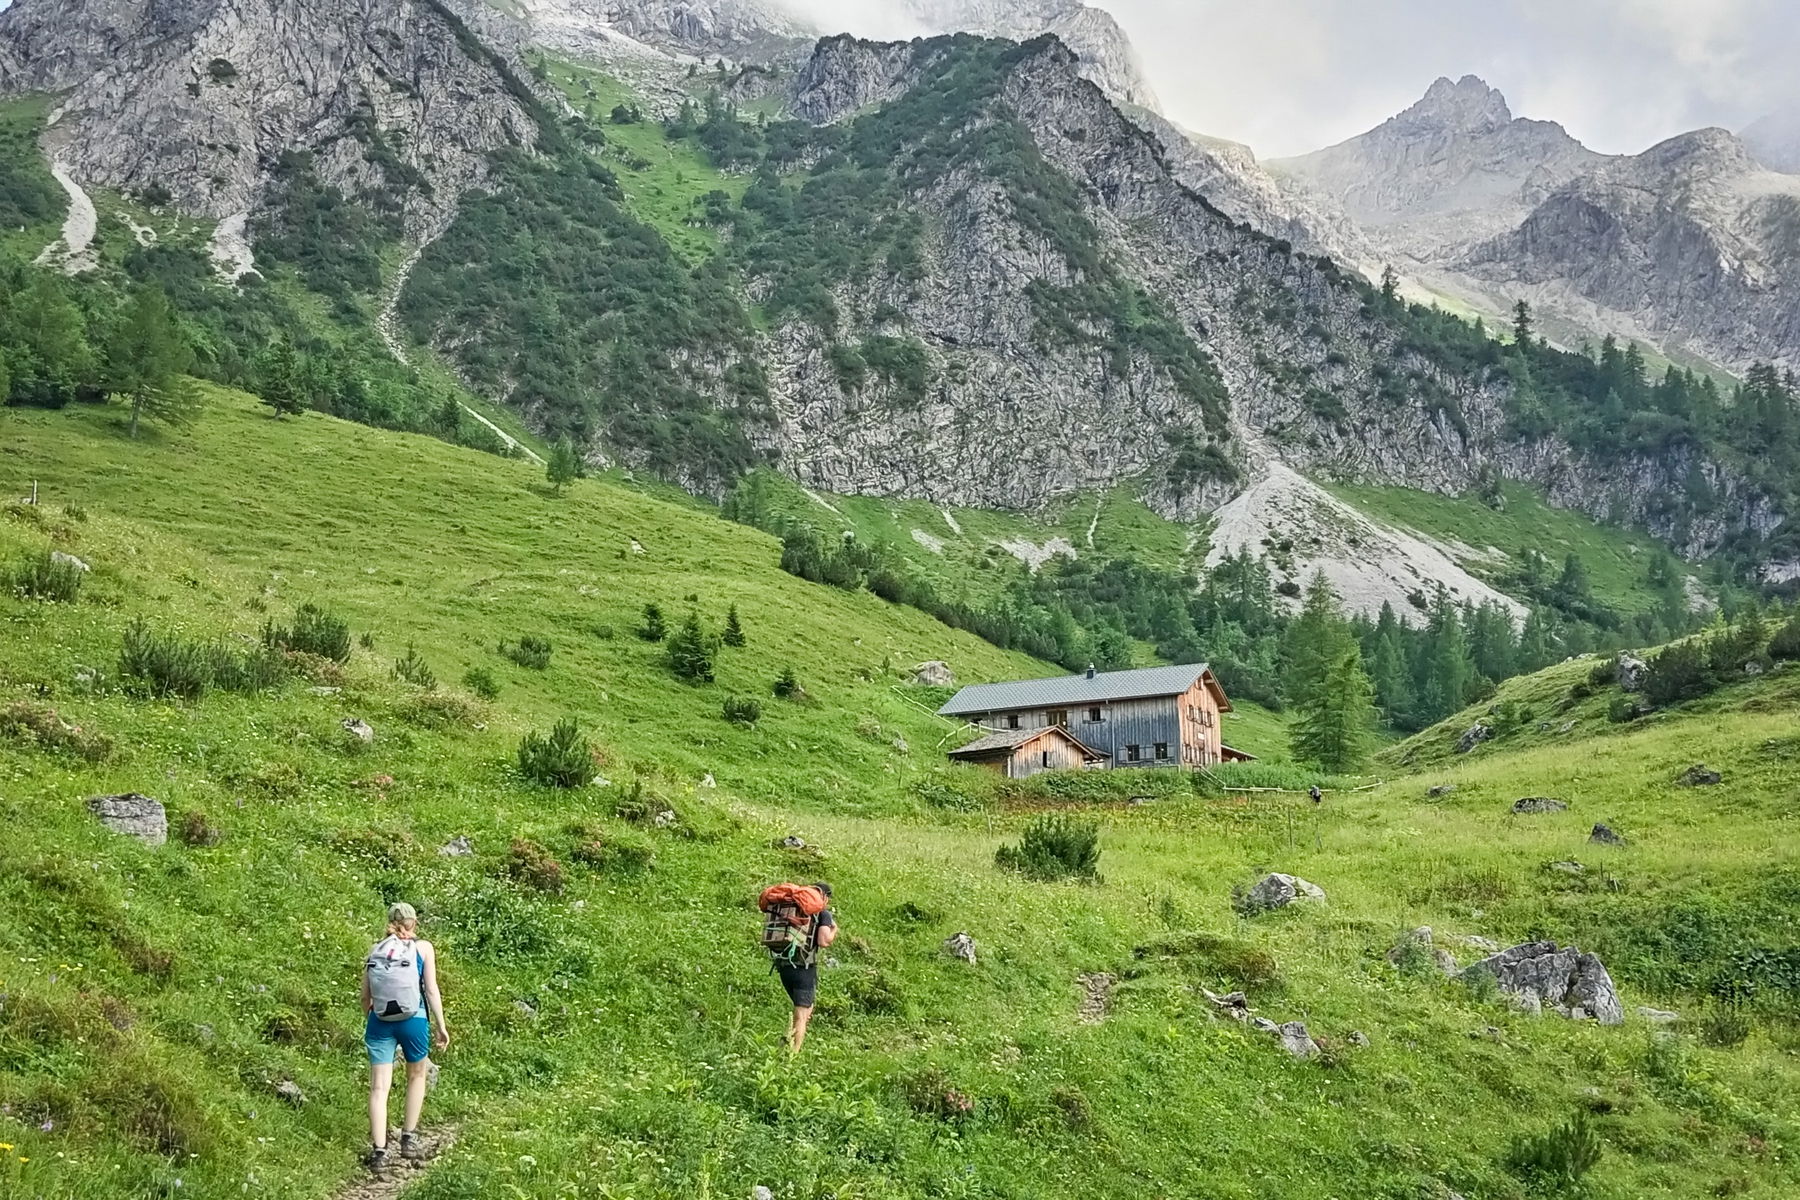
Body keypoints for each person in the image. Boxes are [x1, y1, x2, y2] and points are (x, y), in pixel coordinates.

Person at [361, 902, 449, 1170]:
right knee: (417, 1075)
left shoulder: (375, 950)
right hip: (414, 1020)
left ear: (389, 922)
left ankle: (379, 1153)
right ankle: (408, 1139)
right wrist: (441, 1025)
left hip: (380, 1022)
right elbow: (431, 989)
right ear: (414, 922)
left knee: (379, 1088)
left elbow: (365, 997)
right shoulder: (424, 948)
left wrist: (373, 1021)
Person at [773, 882, 837, 1053]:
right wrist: (834, 931)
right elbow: (823, 941)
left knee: (805, 1009)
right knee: (801, 1015)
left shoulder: (793, 907)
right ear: (824, 897)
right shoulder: (822, 913)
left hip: (784, 966)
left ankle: (784, 1045)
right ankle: (792, 1055)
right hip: (804, 968)